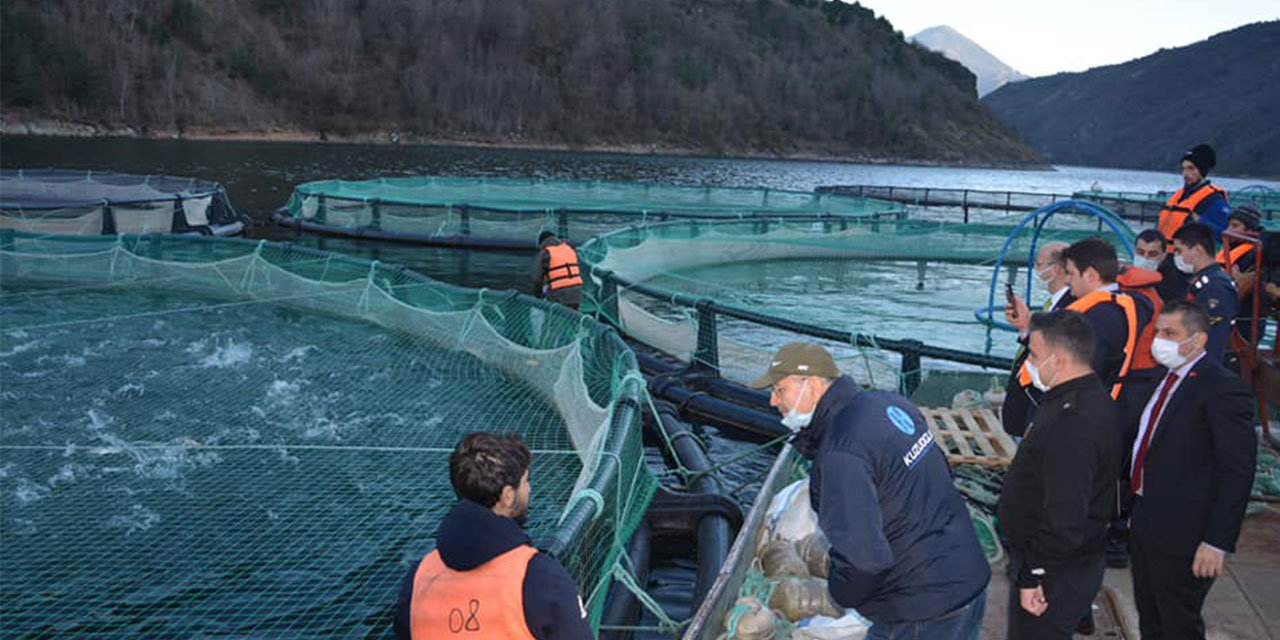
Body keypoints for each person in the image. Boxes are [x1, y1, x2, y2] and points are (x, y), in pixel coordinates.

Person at [748, 343, 989, 640]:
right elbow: (940, 473)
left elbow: (865, 563)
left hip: (921, 608)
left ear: (809, 384)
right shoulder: (888, 403)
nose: (773, 400)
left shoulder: (841, 452)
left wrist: (839, 591)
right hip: (966, 577)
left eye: (779, 389)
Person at [1127, 301, 1256, 640]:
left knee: (1178, 622)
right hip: (1147, 521)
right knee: (1151, 616)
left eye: (1170, 333)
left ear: (1198, 341)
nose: (1160, 340)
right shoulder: (1167, 379)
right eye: (1158, 332)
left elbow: (1237, 470)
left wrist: (1217, 541)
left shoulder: (1221, 388)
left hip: (1184, 534)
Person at [998, 310, 1123, 640]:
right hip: (1068, 561)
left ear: (1060, 359)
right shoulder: (1090, 398)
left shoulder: (1074, 423)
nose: (1030, 364)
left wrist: (1034, 575)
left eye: (1035, 355)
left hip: (1054, 571)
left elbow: (1065, 516)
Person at [395, 432, 592, 640]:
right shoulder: (541, 576)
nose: (529, 488)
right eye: (525, 481)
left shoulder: (418, 577)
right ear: (507, 496)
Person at [1001, 241, 1074, 438]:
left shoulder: (1069, 306)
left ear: (1056, 269)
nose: (1036, 269)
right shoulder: (1054, 302)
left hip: (1037, 404)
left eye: (1040, 264)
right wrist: (1025, 325)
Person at [1171, 222, 1238, 363]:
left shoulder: (1216, 288)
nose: (1175, 256)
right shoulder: (1199, 281)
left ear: (1198, 250)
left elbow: (1213, 340)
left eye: (1179, 250)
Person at [1157, 144, 1231, 242]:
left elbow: (1226, 236)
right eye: (1183, 169)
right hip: (1162, 253)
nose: (1185, 174)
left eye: (1191, 168)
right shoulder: (1179, 195)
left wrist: (1201, 221)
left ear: (1202, 171)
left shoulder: (1214, 200)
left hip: (1188, 255)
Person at [1218, 204, 1267, 347]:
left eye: (1235, 226)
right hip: (1225, 317)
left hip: (1243, 323)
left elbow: (1241, 289)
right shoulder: (1232, 249)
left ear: (1250, 229)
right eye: (1229, 225)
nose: (1228, 230)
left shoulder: (1255, 255)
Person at [1135, 228, 1190, 304]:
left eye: (1153, 254)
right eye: (1140, 252)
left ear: (1164, 256)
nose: (1145, 258)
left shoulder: (1174, 283)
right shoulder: (1125, 273)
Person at [531, 231, 583, 310]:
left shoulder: (545, 253)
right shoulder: (569, 249)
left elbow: (536, 279)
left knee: (556, 318)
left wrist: (537, 296)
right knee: (572, 318)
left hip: (559, 294)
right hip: (576, 294)